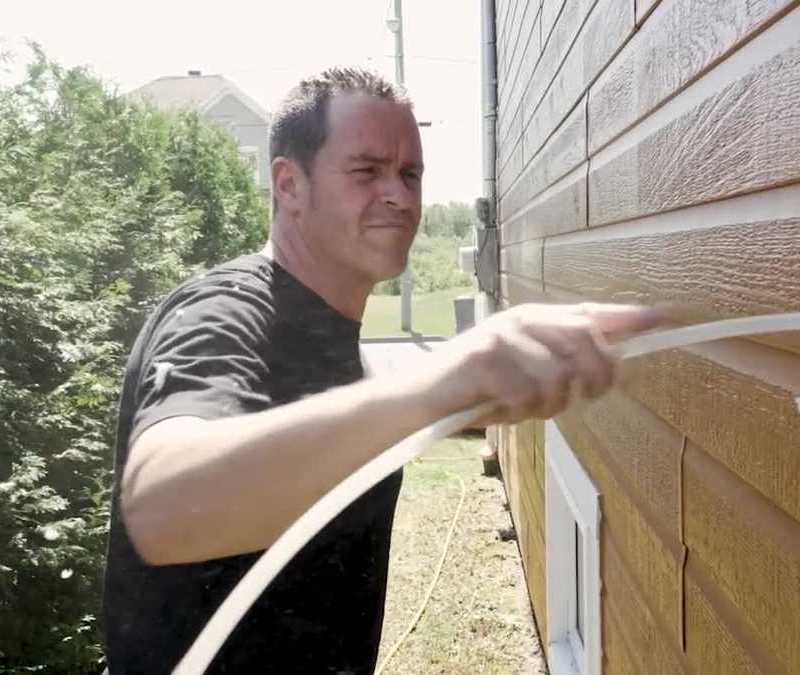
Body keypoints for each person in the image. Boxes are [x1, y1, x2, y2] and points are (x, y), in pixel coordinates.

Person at [102, 66, 659, 674]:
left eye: (410, 173)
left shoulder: (330, 331)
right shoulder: (226, 312)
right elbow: (162, 507)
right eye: (366, 171)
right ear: (289, 184)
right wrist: (448, 380)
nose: (399, 195)